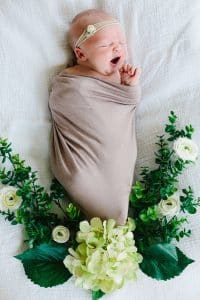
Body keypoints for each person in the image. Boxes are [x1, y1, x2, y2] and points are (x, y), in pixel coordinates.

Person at [49, 9, 141, 225]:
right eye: (106, 45)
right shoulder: (70, 80)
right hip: (82, 162)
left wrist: (130, 86)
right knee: (80, 179)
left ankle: (112, 227)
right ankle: (104, 227)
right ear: (81, 55)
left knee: (118, 172)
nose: (117, 47)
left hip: (116, 154)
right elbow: (61, 101)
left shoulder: (119, 77)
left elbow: (130, 103)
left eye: (121, 42)